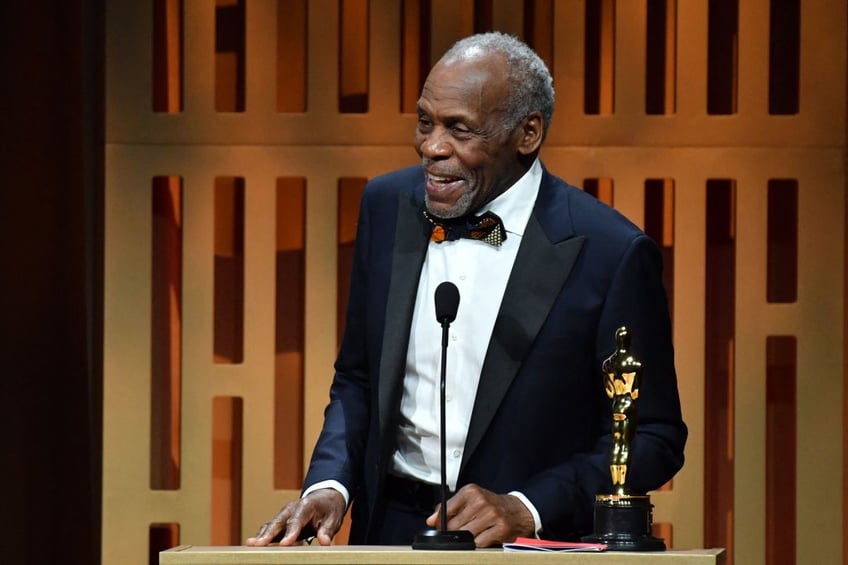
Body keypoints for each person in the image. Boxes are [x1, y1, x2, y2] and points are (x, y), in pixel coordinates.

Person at [247, 31, 686, 548]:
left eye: (460, 129)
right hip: (388, 533)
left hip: (526, 548)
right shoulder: (387, 206)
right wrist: (330, 484)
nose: (432, 147)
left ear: (527, 134)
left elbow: (654, 438)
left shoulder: (611, 252)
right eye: (425, 122)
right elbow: (359, 379)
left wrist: (527, 507)